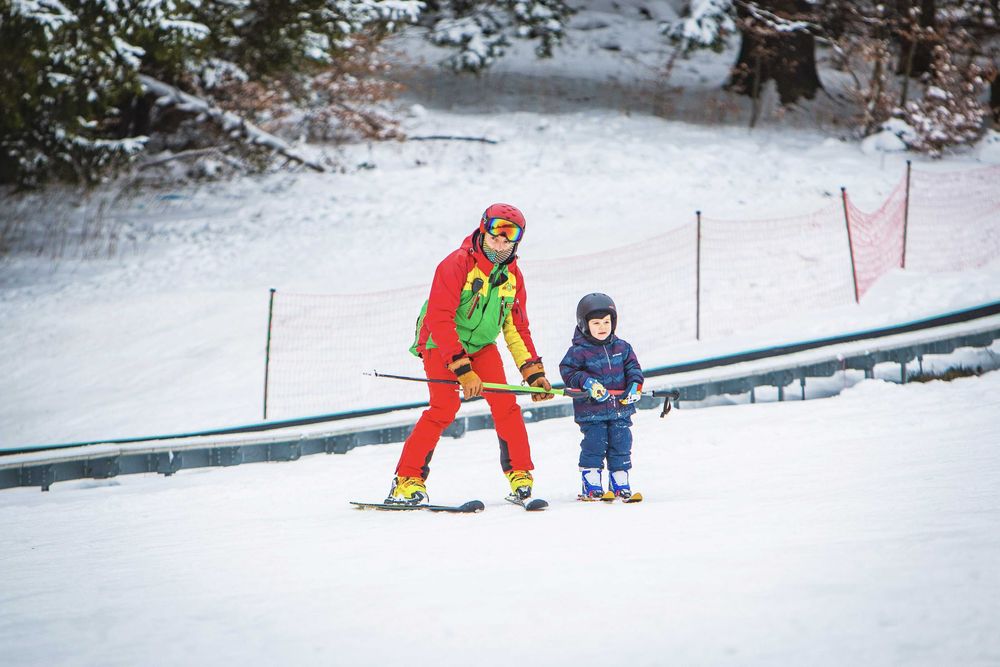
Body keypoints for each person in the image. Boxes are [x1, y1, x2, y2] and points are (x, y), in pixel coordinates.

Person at [386, 203, 554, 505]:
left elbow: (516, 328)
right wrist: (463, 370)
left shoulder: (513, 278)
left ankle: (520, 474)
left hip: (481, 346)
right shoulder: (456, 264)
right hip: (441, 343)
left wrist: (533, 373)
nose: (499, 246)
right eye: (494, 238)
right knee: (444, 408)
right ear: (483, 231)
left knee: (506, 405)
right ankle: (407, 479)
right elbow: (439, 318)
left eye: (506, 241)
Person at [559, 293, 644, 500]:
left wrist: (635, 385)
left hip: (620, 407)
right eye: (596, 323)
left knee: (621, 442)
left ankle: (620, 481)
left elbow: (634, 368)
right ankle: (591, 482)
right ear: (584, 324)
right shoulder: (578, 351)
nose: (602, 327)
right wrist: (587, 382)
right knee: (594, 444)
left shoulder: (622, 347)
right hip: (591, 410)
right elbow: (568, 372)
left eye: (606, 321)